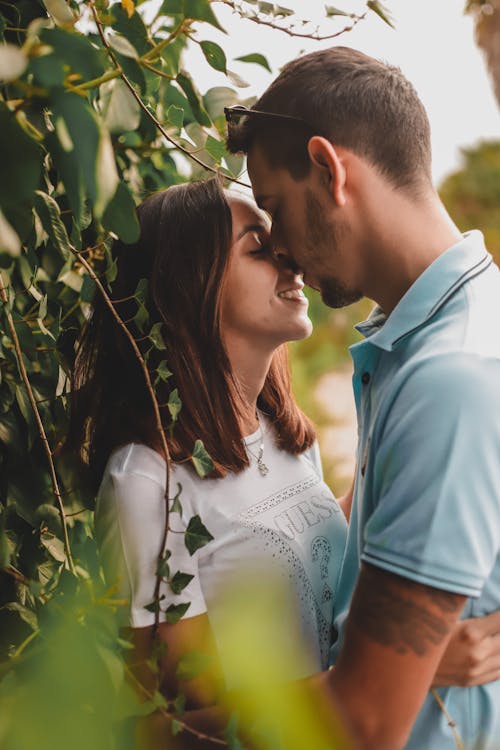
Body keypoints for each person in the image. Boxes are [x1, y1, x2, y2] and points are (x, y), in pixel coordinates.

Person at [70, 176, 499, 748]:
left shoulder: (287, 438)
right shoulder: (149, 482)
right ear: (189, 284)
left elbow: (329, 558)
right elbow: (178, 724)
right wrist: (410, 665)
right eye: (258, 248)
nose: (290, 259)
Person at [225, 45, 500, 749]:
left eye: (275, 207)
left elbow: (364, 719)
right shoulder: (437, 340)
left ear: (329, 167)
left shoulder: (450, 375)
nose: (280, 246)